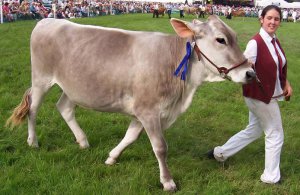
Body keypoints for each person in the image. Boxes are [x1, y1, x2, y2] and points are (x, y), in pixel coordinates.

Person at [207, 5, 293, 184]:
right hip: (259, 95)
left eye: (276, 19)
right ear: (261, 19)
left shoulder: (273, 40)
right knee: (275, 134)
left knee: (254, 130)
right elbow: (243, 64)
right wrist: (247, 66)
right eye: (269, 18)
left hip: (262, 94)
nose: (273, 21)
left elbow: (278, 64)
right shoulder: (256, 42)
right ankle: (270, 177)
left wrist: (285, 82)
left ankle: (219, 153)